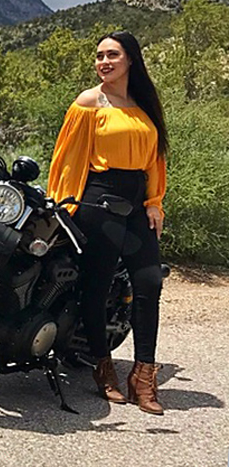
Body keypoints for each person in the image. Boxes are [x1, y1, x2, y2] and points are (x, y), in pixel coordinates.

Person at [47, 30, 168, 415]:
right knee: (94, 288)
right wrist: (64, 207)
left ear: (130, 58)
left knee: (149, 281)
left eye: (112, 55)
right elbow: (67, 158)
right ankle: (102, 367)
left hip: (136, 206)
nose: (104, 62)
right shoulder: (88, 103)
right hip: (99, 202)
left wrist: (154, 202)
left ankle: (143, 376)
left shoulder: (144, 104)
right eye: (99, 56)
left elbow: (155, 158)